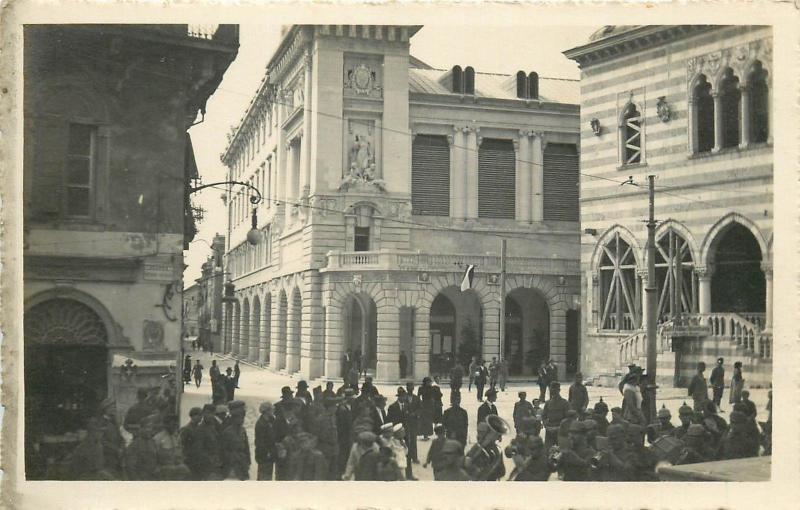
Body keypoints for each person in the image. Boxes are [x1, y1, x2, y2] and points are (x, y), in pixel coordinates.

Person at [153, 414, 191, 480]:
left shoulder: (176, 437)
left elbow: (180, 451)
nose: (175, 427)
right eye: (173, 425)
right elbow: (154, 457)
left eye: (176, 425)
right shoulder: (158, 438)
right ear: (166, 425)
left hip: (177, 468)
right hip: (164, 469)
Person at [125, 414, 160, 480]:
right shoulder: (135, 445)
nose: (149, 430)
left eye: (150, 427)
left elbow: (158, 461)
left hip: (153, 477)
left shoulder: (153, 442)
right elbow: (130, 467)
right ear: (141, 428)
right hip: (140, 478)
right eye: (146, 427)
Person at [221, 400, 250, 480]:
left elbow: (246, 447)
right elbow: (223, 449)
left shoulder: (242, 430)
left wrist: (247, 461)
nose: (242, 420)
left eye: (243, 418)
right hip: (232, 465)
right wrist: (232, 458)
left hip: (242, 463)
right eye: (240, 418)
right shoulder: (227, 430)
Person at [335, 388, 357, 478]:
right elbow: (342, 425)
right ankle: (341, 472)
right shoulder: (342, 409)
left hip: (348, 435)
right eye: (352, 398)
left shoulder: (349, 407)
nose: (353, 399)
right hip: (343, 436)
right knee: (344, 454)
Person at [541, 382, 570, 449]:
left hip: (560, 431)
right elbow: (543, 416)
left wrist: (560, 427)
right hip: (549, 430)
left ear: (559, 390)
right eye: (551, 390)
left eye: (555, 390)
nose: (553, 391)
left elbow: (568, 418)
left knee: (561, 452)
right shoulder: (548, 403)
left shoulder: (565, 403)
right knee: (547, 451)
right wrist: (546, 425)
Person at [254, 401, 278, 481]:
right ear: (266, 411)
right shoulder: (261, 424)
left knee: (268, 475)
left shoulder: (269, 421)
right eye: (271, 409)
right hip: (264, 455)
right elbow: (260, 442)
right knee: (263, 476)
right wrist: (267, 452)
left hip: (269, 454)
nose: (273, 411)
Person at [179, 407, 203, 479]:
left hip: (198, 459)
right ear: (192, 416)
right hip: (189, 459)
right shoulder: (186, 429)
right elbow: (181, 444)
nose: (201, 417)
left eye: (201, 415)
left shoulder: (200, 429)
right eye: (199, 415)